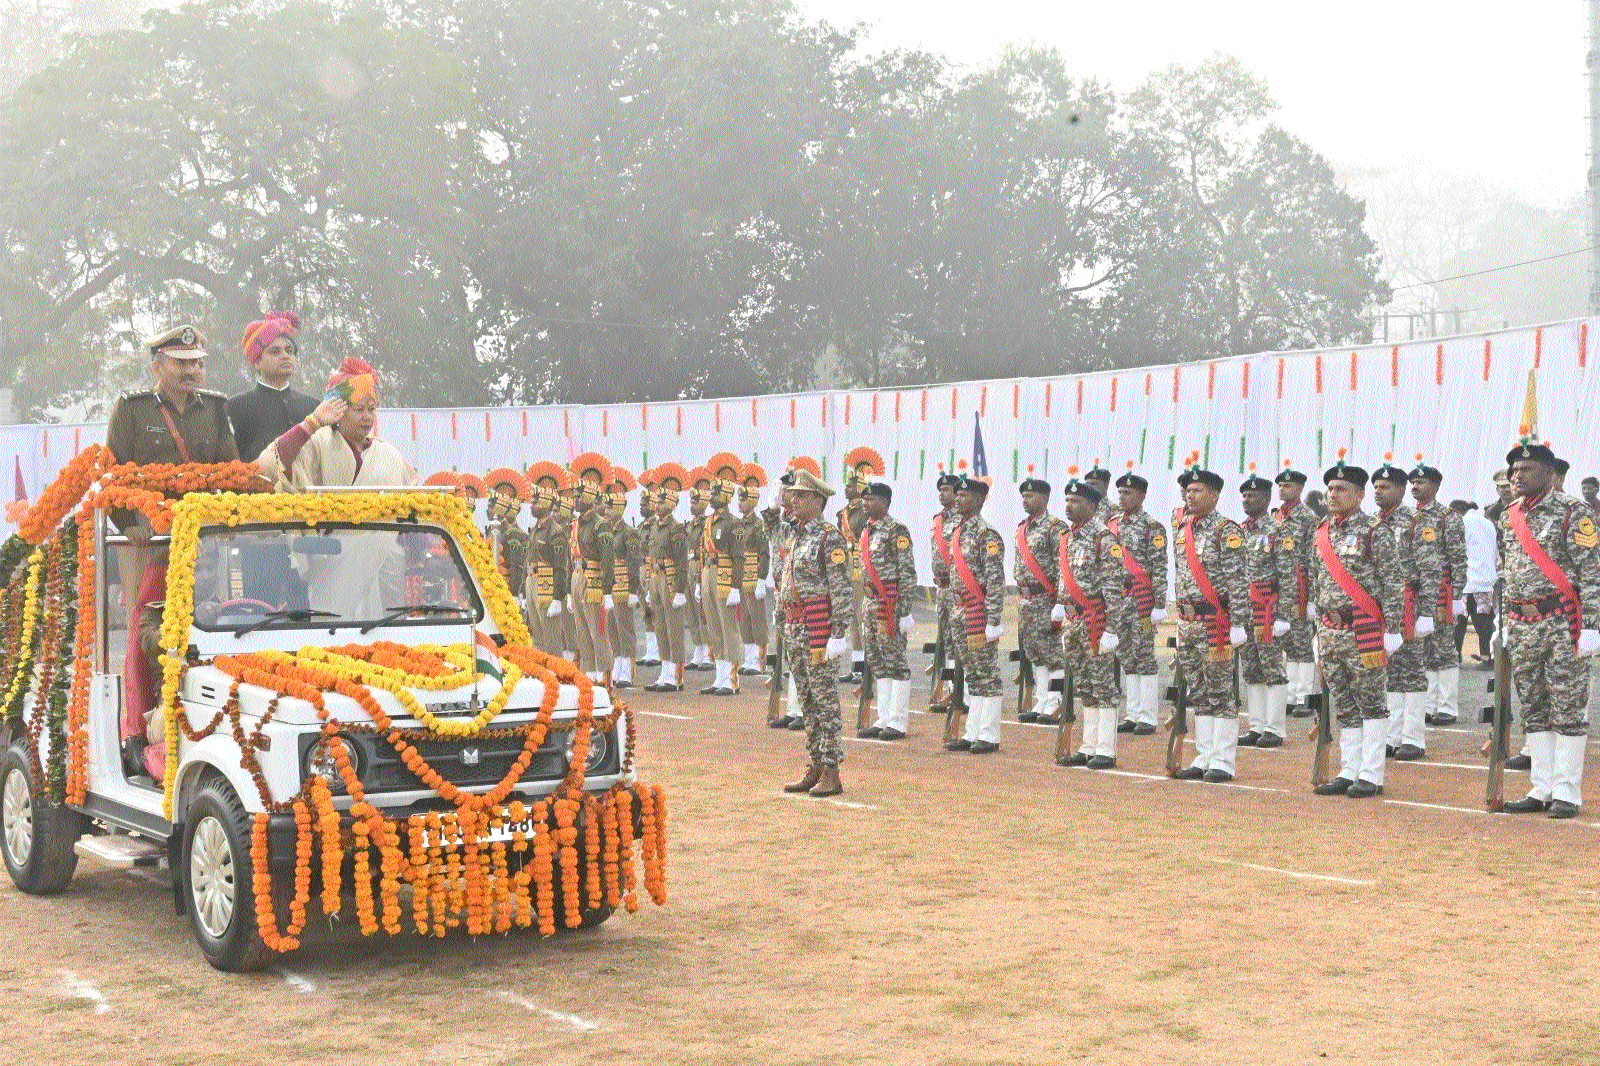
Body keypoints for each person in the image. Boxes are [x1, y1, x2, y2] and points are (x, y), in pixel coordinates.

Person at [105, 323, 240, 779]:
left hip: (202, 544)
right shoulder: (132, 409)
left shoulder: (216, 408)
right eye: (182, 363)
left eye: (197, 363)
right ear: (157, 366)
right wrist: (130, 525)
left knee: (206, 629)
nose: (192, 371)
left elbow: (229, 471)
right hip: (148, 543)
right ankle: (138, 734)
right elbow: (111, 476)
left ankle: (195, 725)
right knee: (146, 634)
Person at [255, 358, 419, 618]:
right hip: (331, 565)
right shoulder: (318, 441)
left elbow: (417, 503)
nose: (367, 417)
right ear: (339, 410)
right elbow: (268, 466)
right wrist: (311, 423)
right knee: (333, 632)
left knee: (381, 637)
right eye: (359, 409)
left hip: (383, 575)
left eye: (372, 409)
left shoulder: (388, 454)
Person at [1498, 435, 1599, 819]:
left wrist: (1592, 626)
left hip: (1562, 623)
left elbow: (1591, 573)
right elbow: (1506, 573)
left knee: (1568, 707)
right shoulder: (1509, 515)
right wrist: (1504, 622)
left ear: (1548, 472)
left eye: (1526, 469)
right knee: (1535, 708)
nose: (1517, 475)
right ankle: (1540, 788)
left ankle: (1567, 793)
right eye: (1514, 469)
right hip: (1522, 624)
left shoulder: (1574, 512)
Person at [1309, 453, 1405, 799]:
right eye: (1330, 488)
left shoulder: (1374, 531)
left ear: (1360, 495)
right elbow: (1318, 581)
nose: (1333, 494)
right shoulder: (1322, 532)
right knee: (1344, 702)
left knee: (1371, 702)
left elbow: (1393, 581)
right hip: (1330, 630)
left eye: (1341, 489)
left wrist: (1393, 629)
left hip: (1363, 630)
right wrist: (1317, 630)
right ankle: (1348, 769)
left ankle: (1371, 773)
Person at [1170, 454, 1249, 783]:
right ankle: (1203, 755)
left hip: (1215, 623)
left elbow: (1238, 580)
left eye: (1198, 490)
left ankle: (1223, 760)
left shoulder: (1225, 530)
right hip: (1187, 621)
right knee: (1199, 692)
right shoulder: (1182, 528)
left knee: (1221, 693)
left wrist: (1239, 622)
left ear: (1215, 495)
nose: (1190, 495)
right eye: (1188, 490)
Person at [778, 469, 854, 797]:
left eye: (801, 495)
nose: (793, 499)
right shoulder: (796, 534)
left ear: (818, 500)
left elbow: (840, 588)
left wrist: (838, 633)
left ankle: (832, 771)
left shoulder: (828, 536)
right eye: (792, 494)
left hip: (818, 629)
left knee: (825, 702)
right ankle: (816, 764)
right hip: (795, 627)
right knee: (807, 701)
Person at [1052, 470, 1128, 769]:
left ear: (1092, 506)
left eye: (1075, 501)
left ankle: (1105, 748)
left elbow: (1114, 587)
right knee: (1084, 684)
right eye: (1067, 500)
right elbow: (1064, 578)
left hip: (1095, 621)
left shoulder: (1104, 539)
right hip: (1072, 621)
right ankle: (1088, 746)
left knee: (1102, 684)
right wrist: (1060, 607)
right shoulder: (1068, 538)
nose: (1069, 506)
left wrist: (1112, 629)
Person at [1371, 455, 1441, 762]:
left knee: (1412, 670)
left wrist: (1427, 612)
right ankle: (1391, 735)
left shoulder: (1417, 522)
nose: (1378, 491)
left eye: (1385, 487)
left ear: (1401, 491)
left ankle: (1413, 737)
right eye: (1376, 487)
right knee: (1388, 670)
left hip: (1410, 605)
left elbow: (1430, 569)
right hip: (1382, 606)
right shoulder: (1371, 524)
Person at [943, 473, 1007, 755]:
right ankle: (972, 732)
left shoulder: (986, 535)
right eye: (957, 494)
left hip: (978, 612)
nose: (958, 499)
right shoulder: (958, 531)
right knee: (971, 672)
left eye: (964, 495)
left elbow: (995, 581)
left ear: (979, 500)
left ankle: (989, 734)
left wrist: (993, 620)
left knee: (986, 673)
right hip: (959, 611)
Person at [855, 482, 918, 740]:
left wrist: (905, 610)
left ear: (885, 502)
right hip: (869, 602)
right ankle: (883, 718)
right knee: (877, 660)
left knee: (895, 661)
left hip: (889, 603)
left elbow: (907, 572)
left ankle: (897, 721)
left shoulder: (896, 530)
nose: (865, 503)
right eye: (864, 499)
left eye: (870, 499)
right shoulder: (867, 530)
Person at [1110, 462, 1169, 735]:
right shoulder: (1112, 524)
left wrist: (1159, 604)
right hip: (1118, 600)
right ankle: (1133, 713)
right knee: (1126, 656)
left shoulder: (1152, 527)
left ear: (1142, 496)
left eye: (1128, 493)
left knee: (1144, 656)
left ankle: (1147, 716)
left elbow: (1159, 567)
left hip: (1141, 599)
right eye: (1120, 492)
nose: (1122, 497)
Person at [1410, 456, 1469, 726]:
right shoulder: (1408, 517)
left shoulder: (1449, 518)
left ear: (1435, 486)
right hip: (1416, 594)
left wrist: (1457, 596)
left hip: (1441, 594)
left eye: (1420, 482)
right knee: (1421, 650)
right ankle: (1428, 705)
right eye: (1413, 482)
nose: (1414, 486)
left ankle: (1446, 706)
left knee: (1443, 649)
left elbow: (1458, 558)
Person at [1238, 465, 1294, 748]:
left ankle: (1275, 728)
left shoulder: (1278, 531)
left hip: (1267, 610)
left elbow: (1288, 576)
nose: (1247, 500)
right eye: (1244, 496)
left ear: (1267, 498)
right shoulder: (1239, 531)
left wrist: (1284, 616)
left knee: (1272, 667)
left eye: (1252, 495)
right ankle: (1256, 725)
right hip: (1245, 610)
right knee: (1251, 668)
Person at [227, 310, 318, 464]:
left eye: (289, 351)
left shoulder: (313, 406)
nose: (285, 356)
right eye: (275, 351)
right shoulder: (236, 407)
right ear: (257, 362)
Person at [1012, 470, 1067, 725]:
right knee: (1035, 651)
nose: (1025, 500)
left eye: (1031, 496)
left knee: (1053, 652)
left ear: (1044, 498)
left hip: (1047, 598)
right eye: (1024, 496)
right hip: (1027, 600)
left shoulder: (1055, 528)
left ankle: (1056, 700)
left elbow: (1063, 565)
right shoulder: (1022, 528)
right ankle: (1042, 699)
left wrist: (1061, 602)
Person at [1274, 462, 1320, 715]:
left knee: (1302, 645)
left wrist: (1312, 598)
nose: (1282, 489)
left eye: (1288, 485)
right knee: (1289, 645)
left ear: (1300, 488)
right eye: (1280, 485)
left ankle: (1304, 697)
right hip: (1280, 590)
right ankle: (1291, 696)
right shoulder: (1276, 517)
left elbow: (1314, 559)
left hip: (1300, 591)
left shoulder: (1309, 519)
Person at [566, 453, 616, 684]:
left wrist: (608, 590)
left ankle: (605, 679)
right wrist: (569, 590)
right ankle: (589, 677)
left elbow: (608, 559)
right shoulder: (575, 524)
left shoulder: (601, 525)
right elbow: (571, 557)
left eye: (578, 497)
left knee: (598, 632)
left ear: (588, 497)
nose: (574, 500)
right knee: (582, 632)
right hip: (577, 579)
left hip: (593, 581)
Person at [698, 473, 746, 697]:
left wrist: (736, 586)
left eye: (715, 493)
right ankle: (720, 676)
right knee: (714, 627)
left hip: (725, 576)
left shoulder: (734, 523)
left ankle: (732, 679)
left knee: (728, 628)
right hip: (708, 574)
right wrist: (699, 582)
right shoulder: (708, 521)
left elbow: (739, 557)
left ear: (726, 496)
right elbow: (702, 551)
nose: (710, 496)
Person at [645, 465, 692, 693]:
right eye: (657, 501)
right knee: (660, 627)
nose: (657, 505)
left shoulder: (676, 528)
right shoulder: (655, 526)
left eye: (662, 502)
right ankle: (664, 673)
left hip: (670, 579)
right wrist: (648, 585)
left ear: (672, 504)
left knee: (674, 629)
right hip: (655, 578)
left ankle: (676, 677)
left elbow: (682, 561)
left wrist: (680, 591)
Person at [523, 462, 573, 657]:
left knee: (551, 640)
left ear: (545, 503)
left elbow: (561, 568)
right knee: (537, 639)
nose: (532, 506)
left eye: (536, 502)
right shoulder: (535, 529)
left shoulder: (555, 532)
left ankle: (556, 673)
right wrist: (523, 592)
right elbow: (527, 561)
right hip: (531, 583)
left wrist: (557, 598)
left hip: (546, 587)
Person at [928, 466, 963, 710]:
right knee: (947, 639)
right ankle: (951, 688)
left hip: (957, 588)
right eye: (940, 490)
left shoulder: (962, 520)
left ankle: (960, 690)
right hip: (942, 589)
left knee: (959, 639)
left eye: (947, 489)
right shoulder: (938, 520)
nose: (942, 494)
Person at [604, 472, 642, 689]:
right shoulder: (606, 531)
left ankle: (628, 671)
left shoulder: (629, 532)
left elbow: (634, 562)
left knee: (625, 630)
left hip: (624, 585)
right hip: (611, 586)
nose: (606, 511)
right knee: (612, 630)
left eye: (610, 508)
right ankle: (618, 667)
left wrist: (634, 590)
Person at [734, 463, 771, 678]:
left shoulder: (759, 525)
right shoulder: (738, 524)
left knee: (758, 621)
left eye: (743, 499)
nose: (739, 503)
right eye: (739, 499)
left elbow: (764, 553)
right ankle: (748, 660)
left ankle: (760, 662)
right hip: (741, 578)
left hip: (754, 576)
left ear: (753, 502)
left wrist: (761, 580)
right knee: (745, 620)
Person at [1452, 500, 1497, 666]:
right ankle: (1487, 657)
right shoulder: (1488, 523)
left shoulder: (1462, 523)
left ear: (1458, 511)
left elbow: (1456, 551)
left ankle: (1456, 656)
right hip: (1486, 582)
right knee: (1484, 623)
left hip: (1467, 582)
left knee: (1459, 623)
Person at [684, 468, 714, 672]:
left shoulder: (706, 524)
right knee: (692, 613)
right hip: (688, 567)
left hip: (700, 565)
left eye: (695, 503)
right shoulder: (690, 525)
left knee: (704, 613)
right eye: (691, 502)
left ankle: (710, 654)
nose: (692, 506)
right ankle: (698, 651)